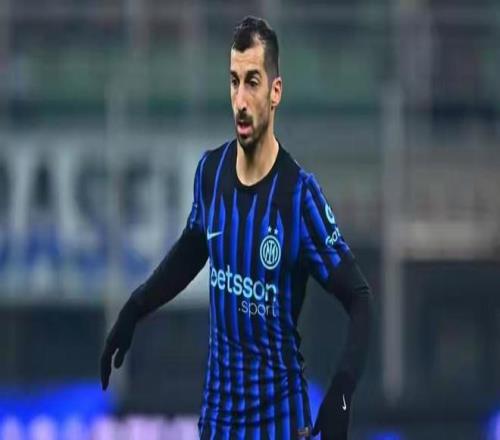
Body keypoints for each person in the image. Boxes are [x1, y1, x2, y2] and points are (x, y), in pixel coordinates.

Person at [100, 15, 374, 440]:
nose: (241, 100)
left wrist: (342, 391)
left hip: (280, 423)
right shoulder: (210, 173)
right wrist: (135, 308)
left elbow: (360, 300)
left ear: (275, 91)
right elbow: (193, 247)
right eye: (234, 82)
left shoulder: (298, 195)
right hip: (219, 423)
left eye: (252, 82)